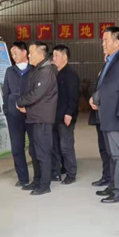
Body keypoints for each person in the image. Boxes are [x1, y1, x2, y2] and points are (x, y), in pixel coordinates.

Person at [89, 26, 119, 204]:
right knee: (111, 154)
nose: (103, 44)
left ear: (116, 42)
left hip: (117, 116)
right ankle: (113, 185)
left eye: (106, 40)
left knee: (118, 154)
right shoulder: (109, 61)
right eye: (102, 40)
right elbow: (106, 87)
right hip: (106, 115)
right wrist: (95, 98)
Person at [16, 41, 58, 196]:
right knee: (34, 152)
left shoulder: (46, 71)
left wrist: (20, 102)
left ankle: (45, 185)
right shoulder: (37, 70)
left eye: (31, 52)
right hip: (34, 117)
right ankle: (37, 180)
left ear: (41, 54)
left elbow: (36, 94)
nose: (28, 55)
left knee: (43, 153)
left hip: (42, 119)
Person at [3, 42, 35, 187]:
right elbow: (6, 91)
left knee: (34, 146)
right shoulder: (10, 71)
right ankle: (22, 178)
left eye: (15, 53)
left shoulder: (33, 70)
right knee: (17, 147)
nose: (13, 56)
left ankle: (39, 176)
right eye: (12, 54)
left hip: (31, 112)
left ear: (24, 52)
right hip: (14, 114)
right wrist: (7, 109)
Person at [51, 45, 79, 185]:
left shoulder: (70, 74)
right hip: (56, 116)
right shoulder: (58, 73)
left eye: (56, 55)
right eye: (53, 55)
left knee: (66, 146)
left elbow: (73, 96)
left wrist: (69, 113)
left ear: (65, 57)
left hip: (65, 117)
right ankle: (59, 169)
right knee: (56, 145)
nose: (54, 58)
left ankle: (71, 173)